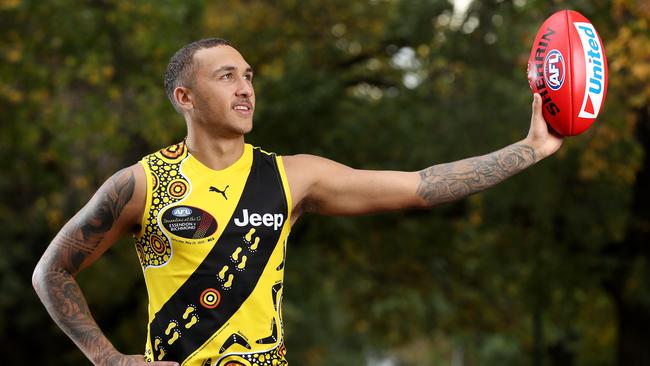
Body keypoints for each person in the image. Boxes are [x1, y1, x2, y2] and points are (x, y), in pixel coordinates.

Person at [32, 38, 563, 366]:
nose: (245, 88)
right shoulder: (142, 183)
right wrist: (108, 360)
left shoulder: (293, 177)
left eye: (248, 77)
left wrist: (529, 149)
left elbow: (420, 185)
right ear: (184, 98)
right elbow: (51, 272)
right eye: (226, 76)